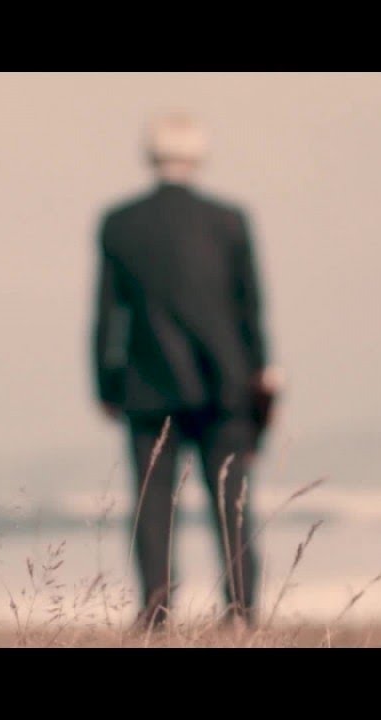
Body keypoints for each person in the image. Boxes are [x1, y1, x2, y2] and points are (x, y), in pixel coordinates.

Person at [91, 112, 280, 629]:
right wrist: (261, 378)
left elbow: (107, 314)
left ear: (148, 153)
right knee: (232, 503)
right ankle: (241, 612)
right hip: (226, 386)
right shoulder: (229, 220)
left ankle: (156, 614)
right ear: (200, 155)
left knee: (152, 508)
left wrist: (106, 385)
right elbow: (251, 310)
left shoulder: (119, 223)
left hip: (145, 388)